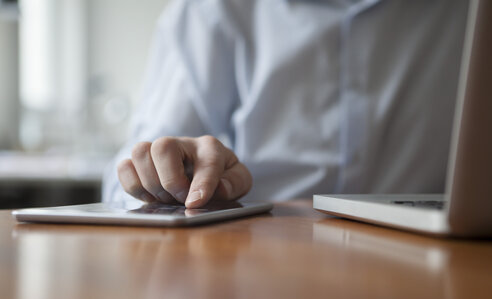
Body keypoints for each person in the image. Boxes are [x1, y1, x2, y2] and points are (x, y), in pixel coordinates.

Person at [103, 0, 468, 208]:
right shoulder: (210, 10)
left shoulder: (469, 14)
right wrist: (169, 175)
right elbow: (126, 182)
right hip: (247, 266)